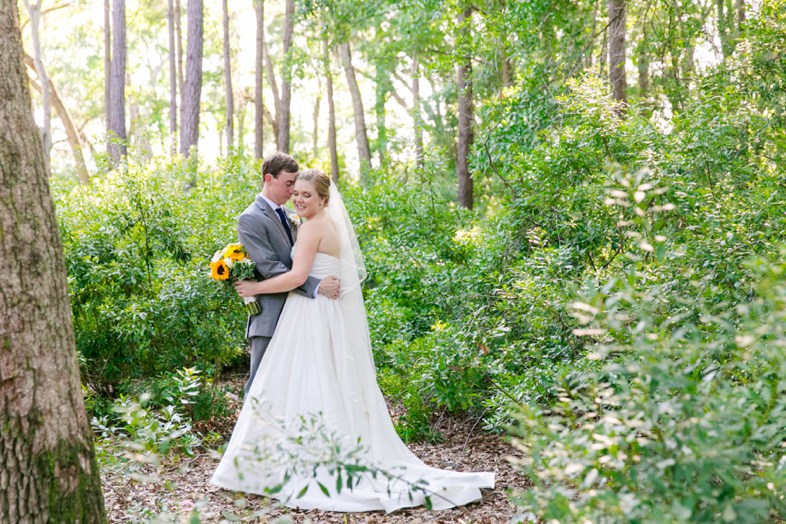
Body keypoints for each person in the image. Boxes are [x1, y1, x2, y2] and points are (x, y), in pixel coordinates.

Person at [211, 169, 495, 512]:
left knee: (303, 383)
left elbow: (298, 276)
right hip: (315, 310)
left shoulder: (315, 226)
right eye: (296, 193)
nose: (298, 199)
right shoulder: (318, 222)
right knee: (309, 382)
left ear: (323, 200)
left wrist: (254, 288)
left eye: (306, 195)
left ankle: (290, 467)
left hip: (312, 313)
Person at [237, 153, 340, 397]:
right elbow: (271, 267)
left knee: (296, 391)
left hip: (301, 314)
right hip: (270, 317)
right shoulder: (251, 218)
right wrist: (317, 285)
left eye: (299, 186)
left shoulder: (296, 217)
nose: (294, 191)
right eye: (289, 184)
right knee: (260, 389)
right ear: (269, 179)